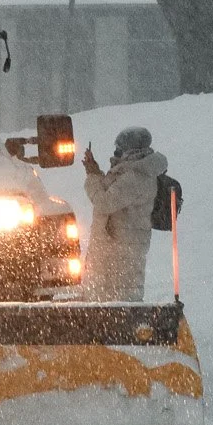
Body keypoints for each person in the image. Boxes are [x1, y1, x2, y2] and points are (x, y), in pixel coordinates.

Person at [80, 126, 168, 302]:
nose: (116, 151)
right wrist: (96, 171)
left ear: (131, 149)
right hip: (113, 251)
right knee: (103, 303)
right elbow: (110, 193)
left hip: (121, 253)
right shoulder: (128, 171)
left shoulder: (137, 176)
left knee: (119, 304)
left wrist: (92, 177)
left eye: (120, 147)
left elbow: (105, 202)